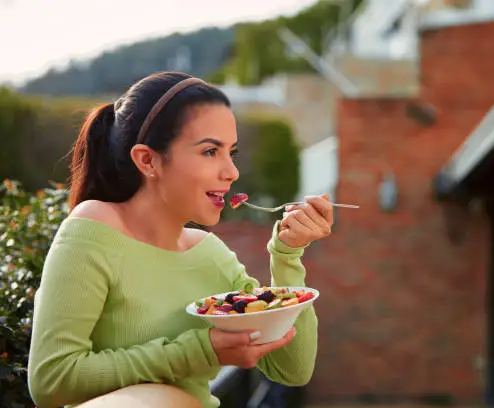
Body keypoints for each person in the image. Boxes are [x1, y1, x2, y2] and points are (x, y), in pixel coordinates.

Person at [27, 71, 333, 408]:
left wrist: (287, 256)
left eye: (231, 152)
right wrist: (202, 350)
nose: (231, 172)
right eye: (209, 152)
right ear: (148, 160)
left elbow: (291, 369)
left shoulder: (209, 253)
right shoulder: (94, 227)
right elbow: (51, 380)